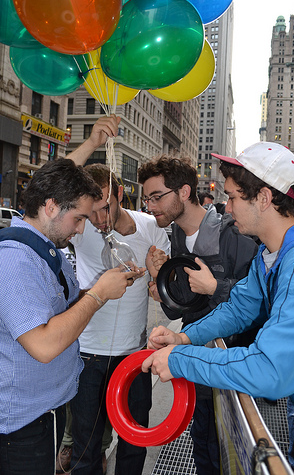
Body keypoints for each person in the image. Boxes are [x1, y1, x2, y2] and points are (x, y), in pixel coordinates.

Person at [141, 141, 294, 475]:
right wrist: (184, 340)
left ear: (263, 198)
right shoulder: (273, 253)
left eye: (232, 197)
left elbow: (272, 370)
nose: (227, 208)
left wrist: (181, 360)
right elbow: (239, 309)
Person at [0, 158, 138, 475]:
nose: (80, 229)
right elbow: (44, 345)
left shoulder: (47, 253)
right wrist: (99, 293)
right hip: (23, 427)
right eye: (78, 219)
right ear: (51, 207)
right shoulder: (14, 261)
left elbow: (64, 309)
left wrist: (101, 289)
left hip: (47, 411)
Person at [62, 116, 170, 475]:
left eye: (104, 208)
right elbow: (53, 183)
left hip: (133, 356)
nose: (97, 220)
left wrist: (157, 279)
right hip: (89, 355)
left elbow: (163, 296)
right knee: (86, 447)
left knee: (134, 440)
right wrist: (92, 142)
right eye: (89, 214)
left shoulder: (152, 228)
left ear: (119, 194)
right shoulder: (80, 228)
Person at [137, 155, 258, 475]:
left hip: (233, 363)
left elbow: (259, 304)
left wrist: (215, 286)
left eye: (157, 196)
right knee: (201, 438)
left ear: (185, 192)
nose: (150, 205)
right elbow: (182, 307)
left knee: (227, 447)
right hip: (195, 354)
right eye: (146, 198)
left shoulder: (233, 234)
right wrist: (161, 282)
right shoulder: (176, 236)